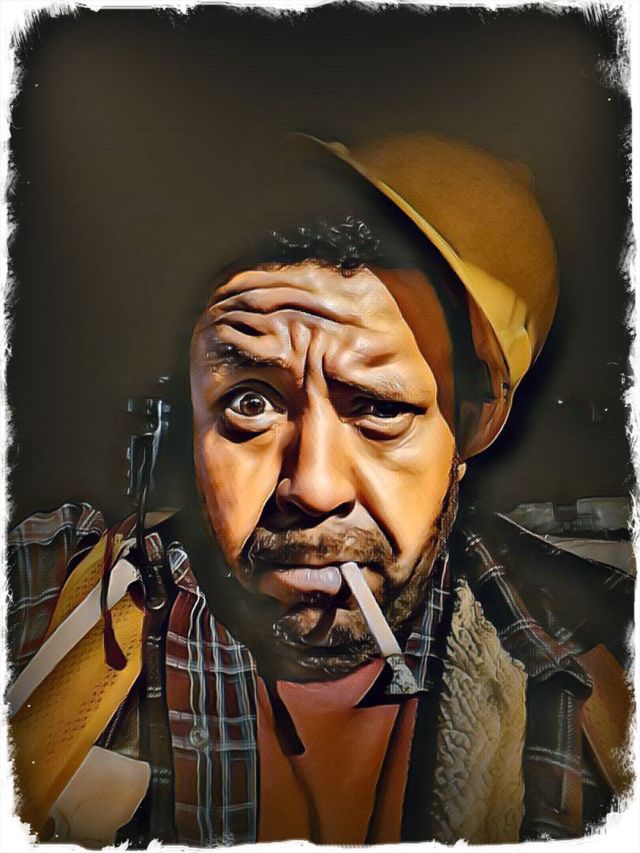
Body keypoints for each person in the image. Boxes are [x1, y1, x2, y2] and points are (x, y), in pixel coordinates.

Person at [7, 132, 634, 848]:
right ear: (184, 421)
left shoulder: (606, 662)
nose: (313, 486)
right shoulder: (52, 593)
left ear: (471, 425)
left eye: (379, 407)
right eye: (249, 403)